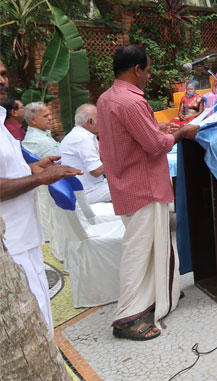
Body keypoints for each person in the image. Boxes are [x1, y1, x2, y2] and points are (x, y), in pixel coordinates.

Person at [97, 44, 200, 340]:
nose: (147, 76)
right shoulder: (131, 101)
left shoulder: (107, 98)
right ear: (137, 69)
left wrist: (159, 128)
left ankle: (161, 293)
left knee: (155, 245)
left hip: (125, 181)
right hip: (142, 185)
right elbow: (155, 146)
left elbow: (133, 137)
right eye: (148, 70)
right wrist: (180, 133)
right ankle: (126, 317)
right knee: (139, 251)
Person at [0, 58, 83, 335]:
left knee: (40, 309)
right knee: (31, 319)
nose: (2, 81)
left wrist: (37, 167)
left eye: (3, 74)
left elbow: (11, 170)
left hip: (25, 235)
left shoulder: (2, 123)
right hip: (11, 241)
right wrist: (39, 178)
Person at [58, 103, 112, 204]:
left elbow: (97, 160)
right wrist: (115, 158)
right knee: (133, 184)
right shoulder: (83, 138)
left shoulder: (79, 134)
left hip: (86, 187)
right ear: (90, 121)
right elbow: (95, 171)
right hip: (88, 191)